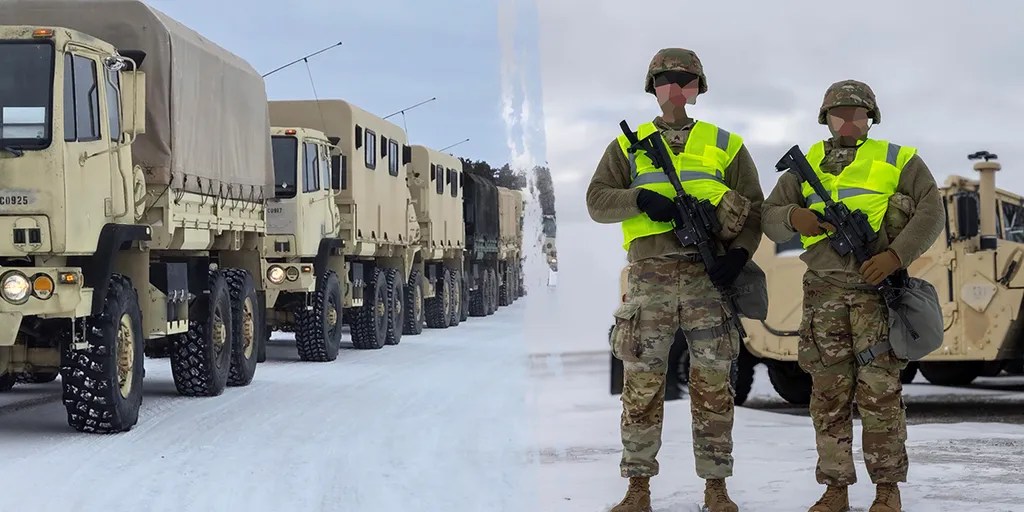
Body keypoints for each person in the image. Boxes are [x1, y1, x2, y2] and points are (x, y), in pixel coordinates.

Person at [586, 47, 764, 512]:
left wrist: (740, 253)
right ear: (654, 88)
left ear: (697, 89)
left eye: (686, 81)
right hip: (651, 277)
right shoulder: (628, 144)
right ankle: (638, 488)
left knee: (714, 386)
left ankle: (716, 487)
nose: (676, 89)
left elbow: (754, 208)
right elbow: (597, 201)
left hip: (709, 277)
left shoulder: (726, 144)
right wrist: (642, 199)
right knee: (642, 385)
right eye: (666, 80)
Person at [761, 80, 944, 512]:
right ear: (826, 119)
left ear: (870, 119)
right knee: (827, 393)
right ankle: (835, 489)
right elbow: (768, 218)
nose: (848, 121)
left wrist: (896, 256)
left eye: (857, 114)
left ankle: (887, 489)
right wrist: (794, 216)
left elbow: (931, 210)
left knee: (880, 393)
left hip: (876, 292)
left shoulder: (899, 159)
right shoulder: (803, 166)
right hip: (823, 292)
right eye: (839, 114)